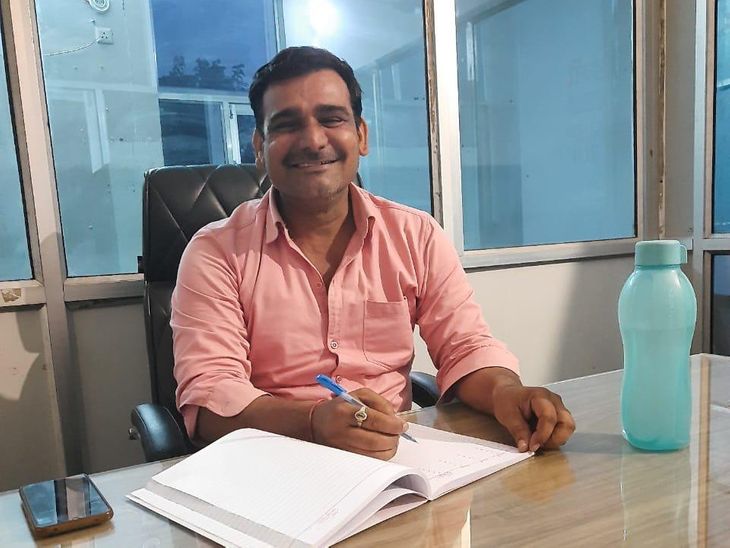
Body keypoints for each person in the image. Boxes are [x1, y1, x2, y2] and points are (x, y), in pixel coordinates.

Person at [171, 46, 575, 460]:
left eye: (332, 119)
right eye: (287, 125)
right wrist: (313, 421)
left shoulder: (415, 235)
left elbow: (465, 346)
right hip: (272, 463)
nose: (313, 140)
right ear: (260, 145)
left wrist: (507, 392)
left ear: (361, 135)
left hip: (396, 459)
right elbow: (209, 400)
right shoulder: (215, 252)